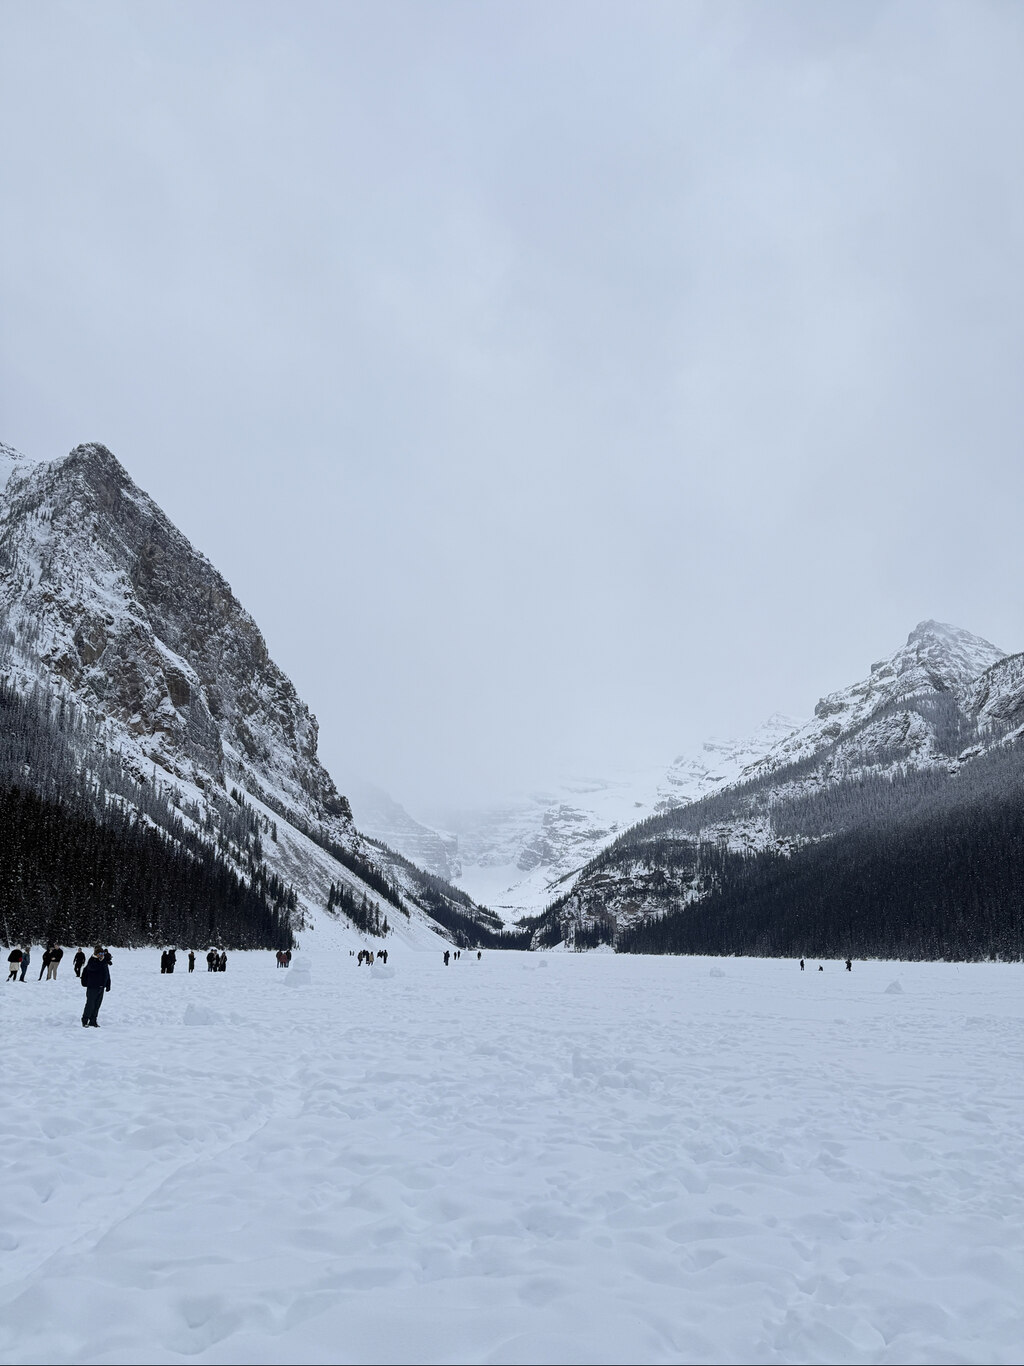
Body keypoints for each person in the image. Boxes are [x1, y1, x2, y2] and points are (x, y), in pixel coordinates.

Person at [81, 946, 111, 1027]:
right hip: (92, 987)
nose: (101, 955)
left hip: (101, 987)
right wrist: (104, 961)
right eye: (99, 954)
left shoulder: (103, 962)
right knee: (90, 1004)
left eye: (102, 953)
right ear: (96, 954)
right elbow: (94, 968)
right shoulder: (92, 961)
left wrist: (108, 984)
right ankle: (85, 1020)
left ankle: (93, 1021)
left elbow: (107, 974)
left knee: (97, 1005)